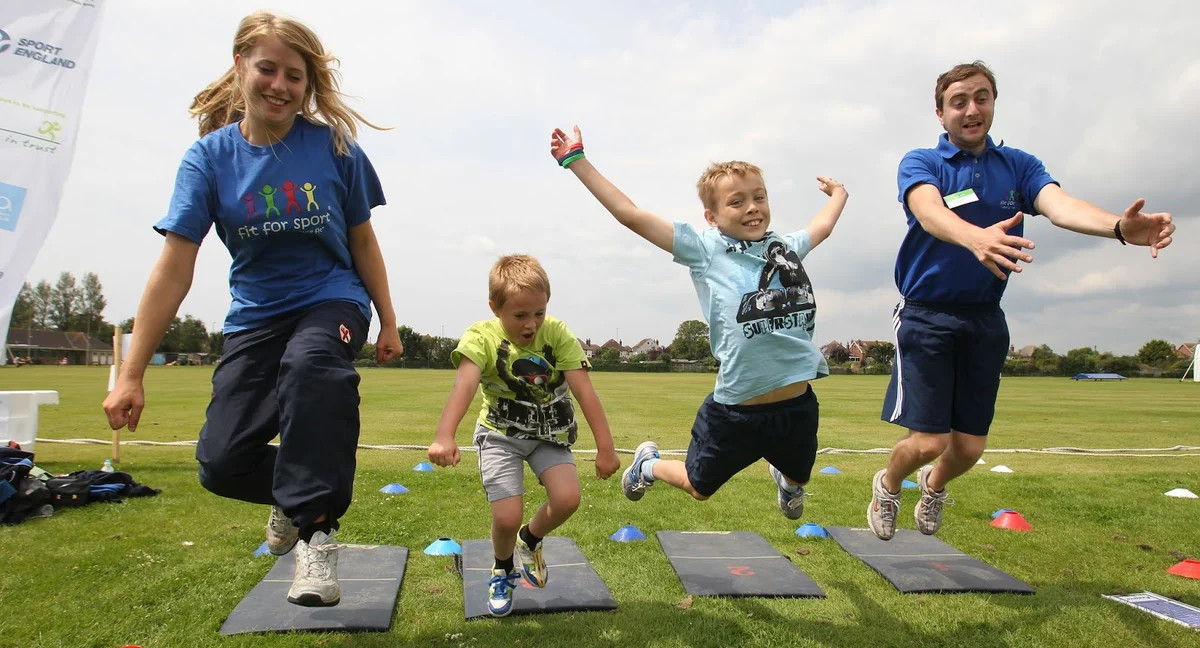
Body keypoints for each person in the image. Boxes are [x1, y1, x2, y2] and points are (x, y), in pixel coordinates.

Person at [101, 11, 402, 606]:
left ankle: (316, 536)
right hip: (256, 317)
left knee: (313, 366)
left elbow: (363, 240)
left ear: (308, 85)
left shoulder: (335, 147)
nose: (281, 86)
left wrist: (388, 318)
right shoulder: (208, 161)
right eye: (268, 69)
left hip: (332, 298)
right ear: (241, 67)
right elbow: (173, 267)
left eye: (296, 76)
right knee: (221, 462)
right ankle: (294, 499)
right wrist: (131, 372)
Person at [868, 60, 1176, 541]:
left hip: (985, 319)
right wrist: (975, 239)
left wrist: (1118, 227)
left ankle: (933, 486)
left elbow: (1059, 204)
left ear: (993, 102)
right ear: (940, 112)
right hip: (927, 315)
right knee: (929, 440)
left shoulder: (1019, 166)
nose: (972, 109)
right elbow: (927, 211)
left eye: (982, 98)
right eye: (959, 101)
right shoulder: (920, 162)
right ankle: (888, 485)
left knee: (968, 449)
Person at [549, 125, 848, 520]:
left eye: (759, 197)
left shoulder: (785, 248)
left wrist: (839, 194)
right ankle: (648, 465)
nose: (753, 207)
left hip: (797, 405)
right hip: (736, 411)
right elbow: (631, 215)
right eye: (737, 202)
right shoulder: (706, 249)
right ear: (712, 216)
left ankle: (786, 477)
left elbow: (823, 226)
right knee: (698, 488)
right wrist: (577, 161)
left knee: (800, 476)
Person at [427, 254, 620, 618]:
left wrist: (605, 448)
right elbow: (465, 384)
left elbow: (585, 392)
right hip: (501, 434)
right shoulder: (481, 337)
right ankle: (502, 568)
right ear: (495, 308)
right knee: (505, 517)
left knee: (568, 500)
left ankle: (530, 539)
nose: (531, 325)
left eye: (539, 313)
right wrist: (444, 435)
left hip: (550, 434)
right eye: (520, 316)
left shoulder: (558, 334)